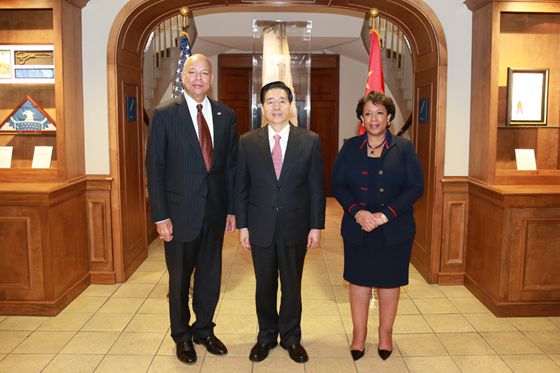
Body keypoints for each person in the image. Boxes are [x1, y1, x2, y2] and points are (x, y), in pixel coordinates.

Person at [145, 54, 237, 365]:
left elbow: (230, 168)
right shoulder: (165, 114)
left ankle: (204, 329)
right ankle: (182, 336)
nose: (198, 78)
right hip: (178, 214)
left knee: (211, 277)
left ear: (211, 79)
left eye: (205, 73)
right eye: (192, 72)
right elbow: (155, 167)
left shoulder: (226, 115)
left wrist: (232, 210)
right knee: (179, 280)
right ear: (183, 76)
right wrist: (160, 215)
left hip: (214, 212)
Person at [235, 81, 326, 364]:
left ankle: (291, 337)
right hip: (259, 226)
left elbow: (316, 188)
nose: (276, 106)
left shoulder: (310, 140)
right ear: (262, 107)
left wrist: (315, 226)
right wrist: (243, 226)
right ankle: (266, 336)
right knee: (264, 285)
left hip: (294, 226)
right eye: (270, 101)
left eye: (282, 100)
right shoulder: (248, 141)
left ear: (291, 105)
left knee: (291, 284)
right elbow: (241, 186)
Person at [331, 91, 423, 361]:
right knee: (358, 281)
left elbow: (415, 186)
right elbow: (338, 185)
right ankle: (358, 335)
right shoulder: (350, 147)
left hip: (394, 230)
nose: (374, 118)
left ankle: (385, 335)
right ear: (361, 117)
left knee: (388, 283)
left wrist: (385, 216)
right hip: (357, 229)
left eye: (380, 113)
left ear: (390, 117)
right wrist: (358, 212)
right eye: (368, 113)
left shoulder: (404, 149)